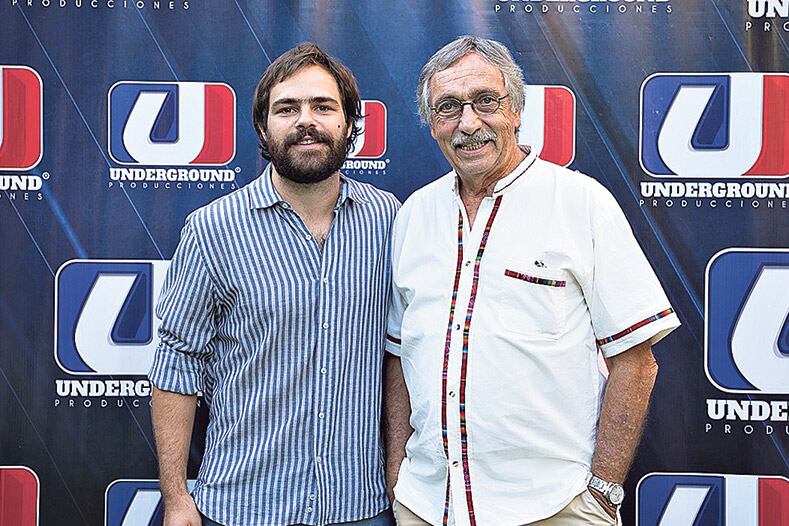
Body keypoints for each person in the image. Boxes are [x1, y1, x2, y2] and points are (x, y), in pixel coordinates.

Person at [383, 36, 680, 526]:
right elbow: (399, 357)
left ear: (516, 110)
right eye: (448, 107)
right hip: (428, 505)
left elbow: (636, 360)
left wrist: (602, 489)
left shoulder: (582, 203)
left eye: (485, 101)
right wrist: (398, 476)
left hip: (554, 507)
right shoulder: (414, 215)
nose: (468, 123)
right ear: (432, 124)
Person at [149, 43, 399, 526]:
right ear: (263, 127)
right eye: (287, 109)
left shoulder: (391, 219)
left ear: (350, 123)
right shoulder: (212, 229)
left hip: (361, 508)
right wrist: (177, 497)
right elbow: (177, 363)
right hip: (243, 507)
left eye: (323, 107)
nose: (306, 120)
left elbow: (407, 354)